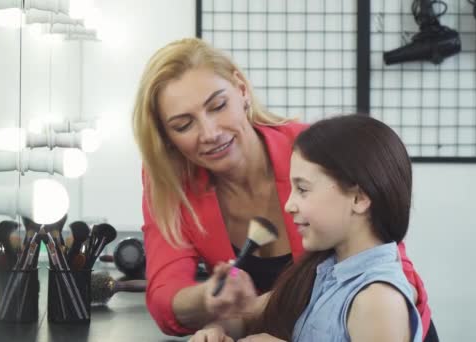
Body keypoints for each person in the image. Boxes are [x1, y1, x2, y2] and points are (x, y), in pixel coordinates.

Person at [132, 37, 436, 340]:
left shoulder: (312, 152)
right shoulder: (324, 274)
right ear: (167, 138)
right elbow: (271, 307)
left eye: (218, 105)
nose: (209, 133)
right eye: (184, 125)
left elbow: (385, 264)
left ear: (241, 90)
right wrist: (220, 325)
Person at [190, 114, 422, 342]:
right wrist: (215, 332)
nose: (289, 205)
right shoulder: (319, 273)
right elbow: (244, 317)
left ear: (358, 198)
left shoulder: (378, 301)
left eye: (302, 189)